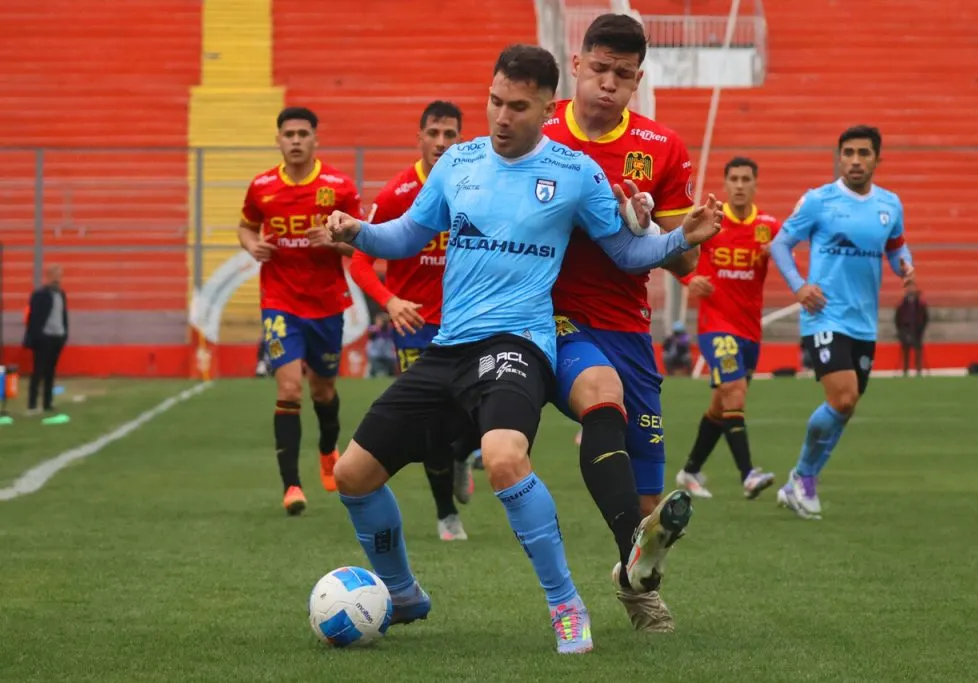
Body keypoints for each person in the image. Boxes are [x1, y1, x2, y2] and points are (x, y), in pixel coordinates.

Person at [322, 44, 720, 654]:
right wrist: (359, 233)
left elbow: (624, 252)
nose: (501, 118)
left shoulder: (575, 172)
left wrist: (675, 241)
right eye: (494, 102)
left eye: (518, 107)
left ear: (545, 108)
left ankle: (566, 605)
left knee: (504, 456)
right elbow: (407, 235)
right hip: (448, 347)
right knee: (353, 474)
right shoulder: (458, 162)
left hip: (519, 343)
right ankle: (403, 594)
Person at [542, 13, 705, 632]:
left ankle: (632, 581)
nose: (608, 83)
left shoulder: (662, 148)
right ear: (577, 64)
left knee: (646, 504)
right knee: (597, 395)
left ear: (639, 80)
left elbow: (683, 257)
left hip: (628, 323)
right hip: (552, 316)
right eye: (600, 69)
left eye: (624, 75)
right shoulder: (543, 129)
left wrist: (662, 227)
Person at [770, 125, 916, 520]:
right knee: (844, 398)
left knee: (845, 407)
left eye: (863, 153)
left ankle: (800, 479)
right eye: (848, 152)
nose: (855, 160)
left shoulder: (889, 205)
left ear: (876, 159)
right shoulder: (819, 201)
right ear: (839, 157)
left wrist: (905, 267)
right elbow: (780, 243)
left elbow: (896, 244)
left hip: (863, 322)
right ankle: (803, 479)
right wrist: (800, 287)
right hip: (824, 316)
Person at [349, 100, 478, 542]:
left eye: (450, 135)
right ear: (419, 137)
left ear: (461, 138)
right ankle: (446, 514)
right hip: (416, 326)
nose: (441, 143)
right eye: (434, 134)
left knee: (485, 409)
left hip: (469, 321)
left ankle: (466, 451)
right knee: (431, 425)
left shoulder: (476, 184)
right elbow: (361, 262)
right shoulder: (397, 193)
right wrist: (390, 300)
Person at [238, 106, 362, 515]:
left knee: (322, 391)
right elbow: (246, 226)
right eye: (288, 134)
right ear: (278, 139)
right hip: (279, 302)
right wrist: (251, 244)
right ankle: (291, 485)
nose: (295, 141)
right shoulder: (262, 187)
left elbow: (360, 243)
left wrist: (332, 242)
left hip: (326, 304)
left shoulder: (338, 187)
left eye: (302, 134)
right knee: (289, 388)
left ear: (315, 139)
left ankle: (328, 449)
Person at [675, 157, 777, 500]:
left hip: (750, 331)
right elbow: (673, 252)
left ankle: (689, 471)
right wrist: (690, 279)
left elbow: (789, 254)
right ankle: (748, 474)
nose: (739, 184)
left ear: (755, 183)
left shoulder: (768, 227)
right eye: (733, 178)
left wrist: (778, 252)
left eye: (746, 178)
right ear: (725, 182)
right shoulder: (711, 223)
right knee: (734, 390)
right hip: (715, 327)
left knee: (723, 404)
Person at [23, 265, 70, 424]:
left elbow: (63, 315)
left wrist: (64, 334)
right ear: (48, 276)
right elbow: (33, 319)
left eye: (60, 276)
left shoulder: (61, 294)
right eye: (55, 276)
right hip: (44, 338)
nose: (58, 279)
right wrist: (35, 337)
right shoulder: (39, 295)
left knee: (51, 371)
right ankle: (32, 404)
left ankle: (47, 402)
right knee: (38, 371)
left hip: (57, 336)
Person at [895, 284, 928, 377]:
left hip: (917, 331)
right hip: (905, 330)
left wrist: (921, 328)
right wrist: (900, 330)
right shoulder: (902, 304)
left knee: (918, 352)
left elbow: (925, 318)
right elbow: (897, 318)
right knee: (906, 352)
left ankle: (918, 370)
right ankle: (905, 371)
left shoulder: (921, 304)